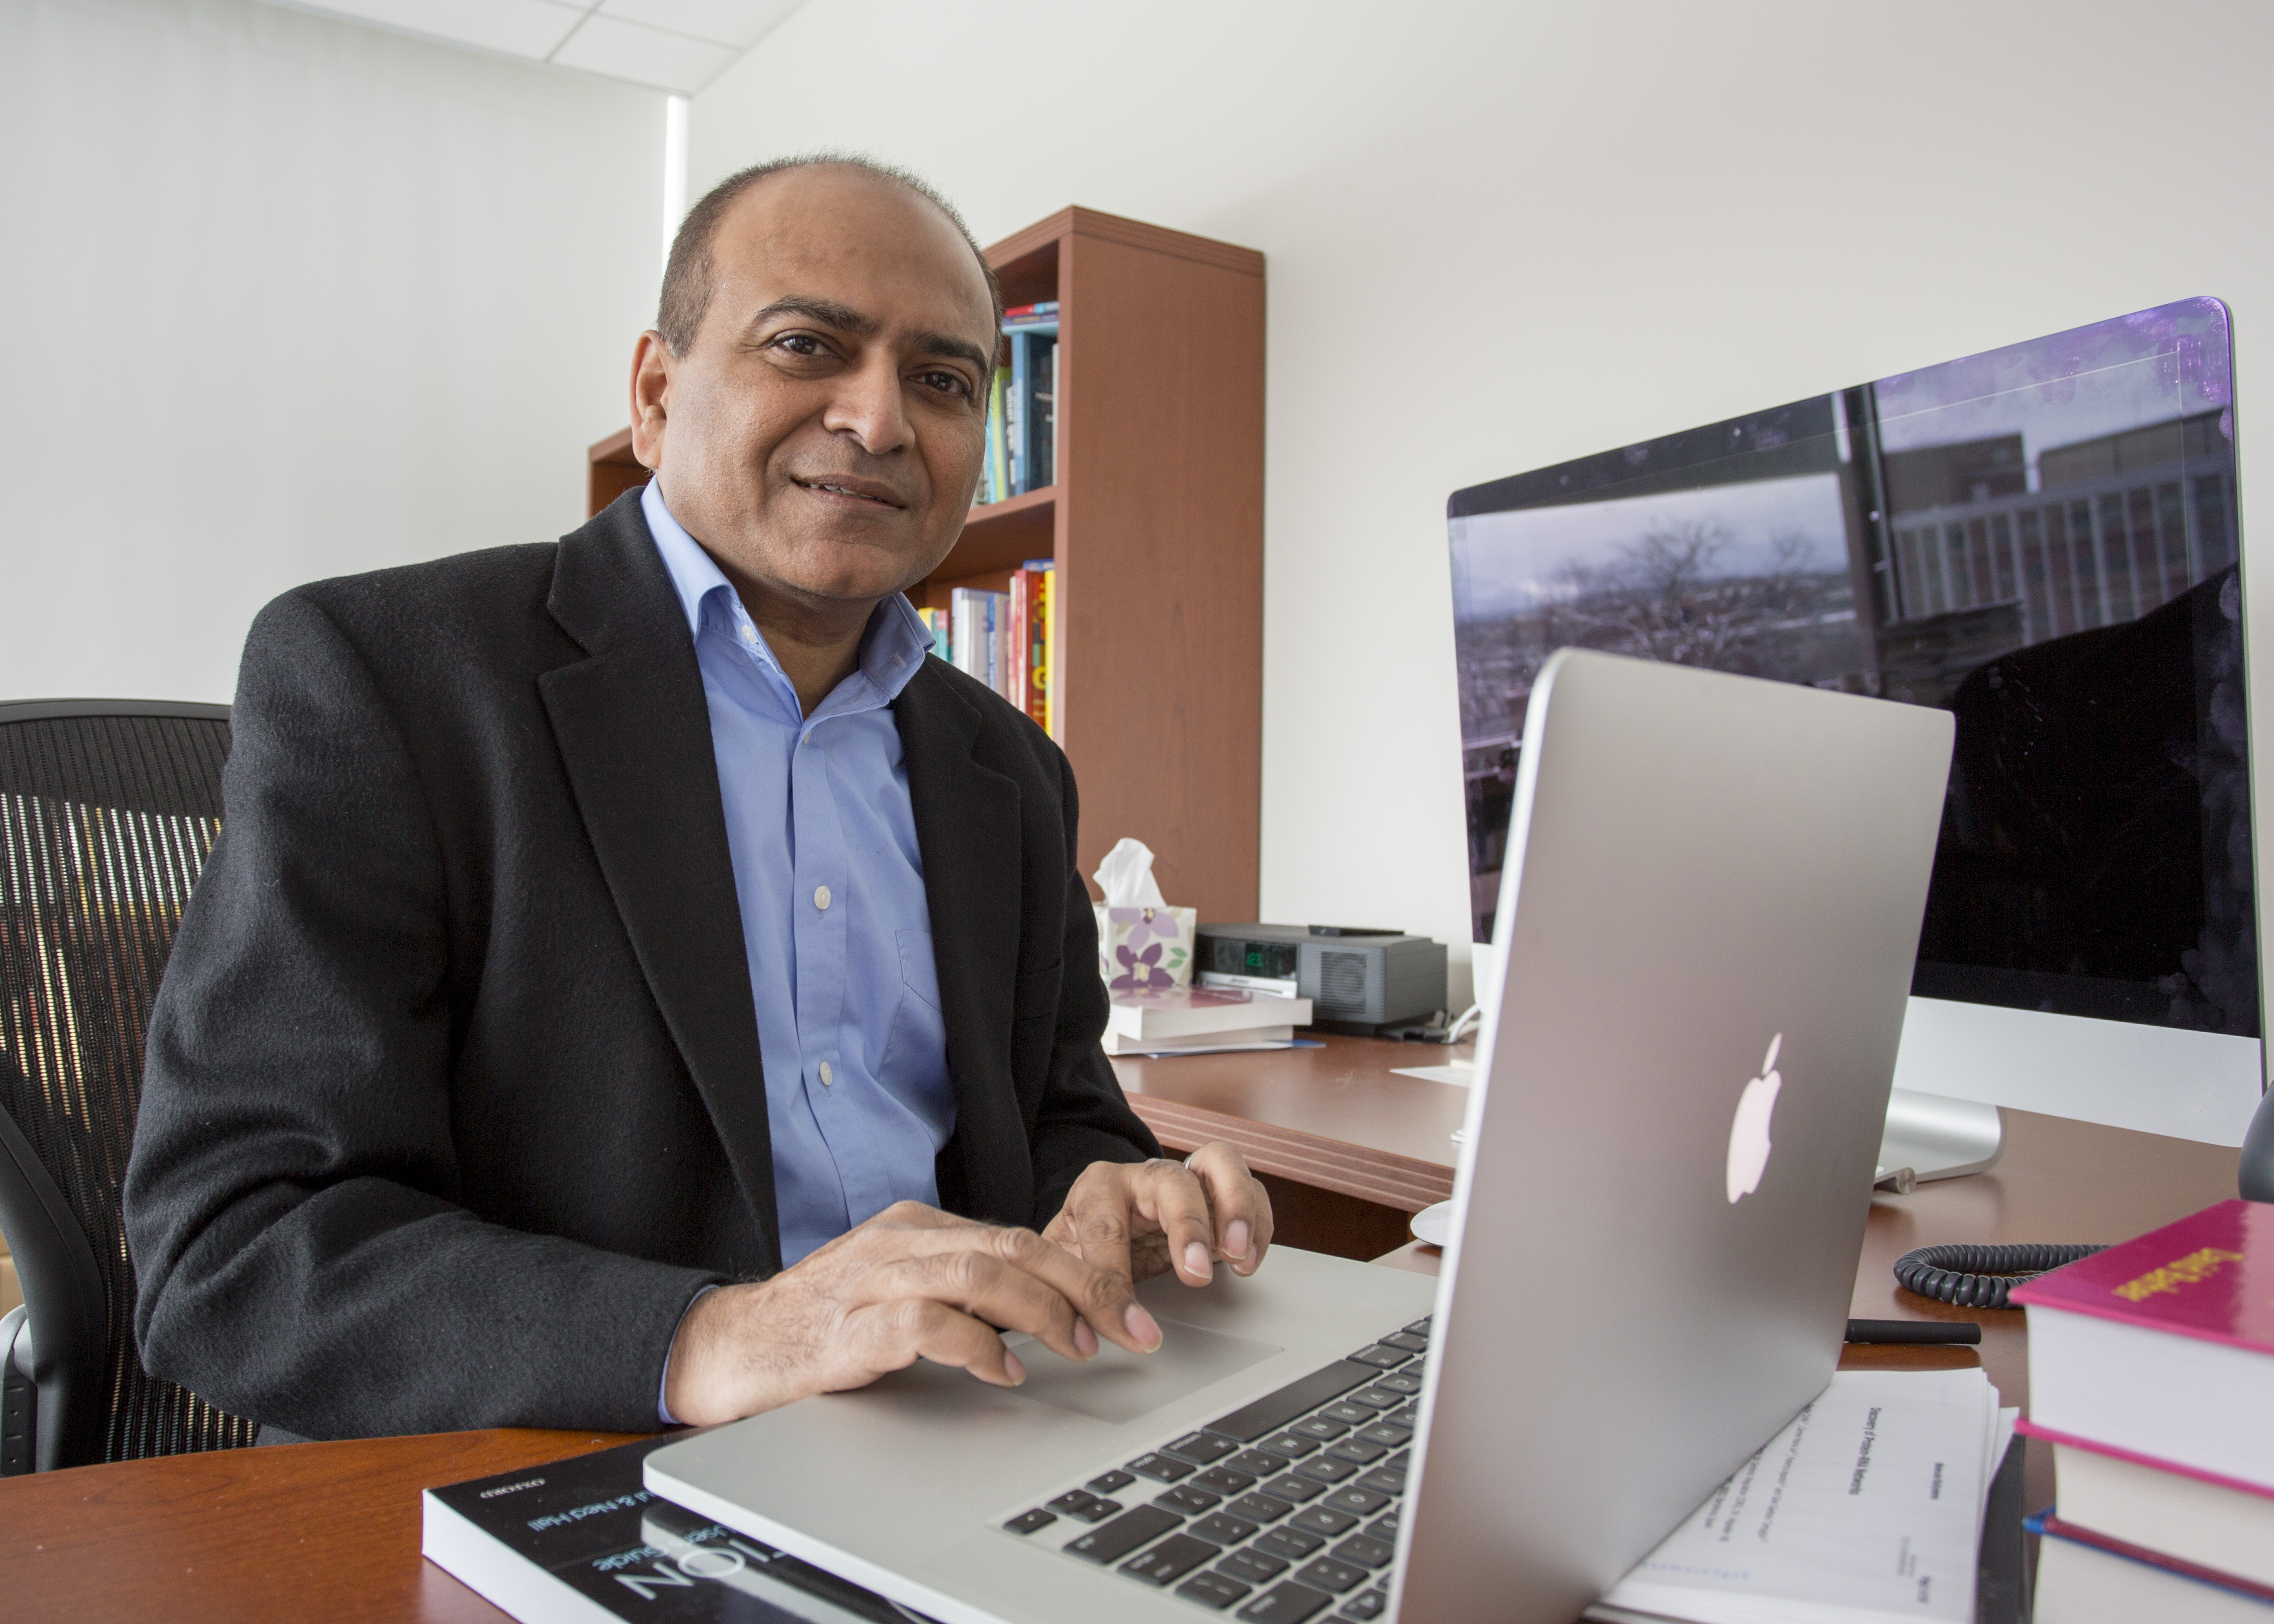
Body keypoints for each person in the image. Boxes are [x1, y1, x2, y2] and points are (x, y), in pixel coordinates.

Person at [122, 155, 1273, 1439]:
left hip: (961, 1426)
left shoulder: (1008, 768)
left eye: (943, 380)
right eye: (806, 346)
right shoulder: (389, 675)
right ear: (657, 395)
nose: (882, 420)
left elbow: (1058, 1118)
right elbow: (237, 1243)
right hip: (560, 1457)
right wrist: (718, 1335)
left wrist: (1118, 1188)